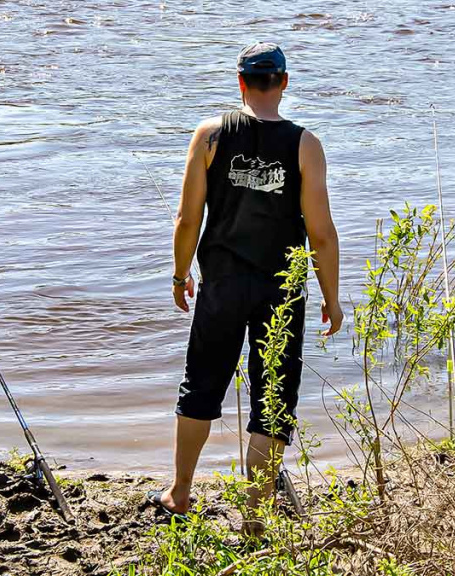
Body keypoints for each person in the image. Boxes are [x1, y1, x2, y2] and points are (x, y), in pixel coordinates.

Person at [146, 42, 343, 536]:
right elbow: (321, 232)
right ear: (284, 82)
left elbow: (188, 216)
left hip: (222, 285)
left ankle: (181, 492)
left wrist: (179, 272)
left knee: (201, 385)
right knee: (272, 397)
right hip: (282, 289)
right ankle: (255, 517)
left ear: (239, 83)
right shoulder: (304, 145)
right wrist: (332, 296)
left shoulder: (210, 136)